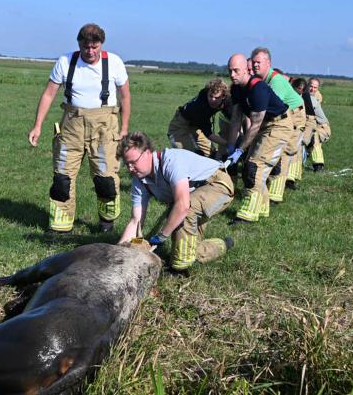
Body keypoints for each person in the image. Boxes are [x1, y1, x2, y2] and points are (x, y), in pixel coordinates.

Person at [28, 23, 131, 234]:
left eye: (95, 47)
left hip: (104, 127)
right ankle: (60, 227)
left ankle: (107, 224)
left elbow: (125, 96)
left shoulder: (114, 62)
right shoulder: (65, 61)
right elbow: (49, 94)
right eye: (86, 47)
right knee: (62, 178)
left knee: (106, 180)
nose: (90, 52)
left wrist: (124, 128)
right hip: (71, 126)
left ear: (101, 44)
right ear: (79, 44)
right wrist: (37, 126)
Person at [117, 131, 234, 271]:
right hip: (193, 196)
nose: (130, 168)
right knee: (189, 250)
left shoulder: (170, 161)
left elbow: (183, 206)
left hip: (218, 185)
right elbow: (135, 221)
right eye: (127, 164)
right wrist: (117, 252)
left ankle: (180, 268)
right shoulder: (139, 179)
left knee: (184, 212)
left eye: (133, 162)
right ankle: (222, 245)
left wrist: (161, 236)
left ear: (147, 152)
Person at [225, 54, 294, 223]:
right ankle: (262, 208)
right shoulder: (235, 88)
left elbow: (255, 124)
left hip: (278, 125)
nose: (232, 75)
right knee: (252, 163)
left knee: (254, 166)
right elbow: (235, 119)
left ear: (246, 70)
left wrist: (241, 149)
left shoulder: (258, 89)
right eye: (229, 71)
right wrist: (231, 145)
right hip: (264, 126)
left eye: (236, 70)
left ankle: (247, 215)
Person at [250, 48, 305, 202]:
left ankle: (275, 195)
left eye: (258, 62)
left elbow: (271, 108)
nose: (255, 65)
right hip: (284, 113)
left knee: (284, 153)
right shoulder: (264, 79)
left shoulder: (276, 81)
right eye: (253, 62)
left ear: (269, 63)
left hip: (295, 114)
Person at [167, 78, 231, 157]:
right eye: (210, 96)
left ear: (223, 96)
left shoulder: (226, 100)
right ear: (207, 93)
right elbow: (208, 134)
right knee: (193, 156)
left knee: (211, 154)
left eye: (216, 97)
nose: (213, 100)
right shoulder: (200, 107)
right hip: (179, 126)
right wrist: (229, 144)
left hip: (195, 126)